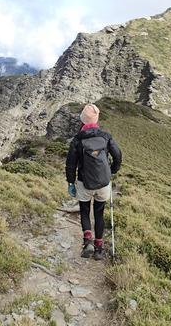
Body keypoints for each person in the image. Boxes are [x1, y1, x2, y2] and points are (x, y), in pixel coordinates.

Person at [65, 103, 122, 260]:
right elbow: (117, 155)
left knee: (84, 211)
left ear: (82, 120)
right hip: (103, 182)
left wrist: (71, 183)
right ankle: (98, 247)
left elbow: (71, 164)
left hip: (85, 182)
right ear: (96, 120)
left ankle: (87, 240)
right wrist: (112, 171)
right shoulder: (105, 136)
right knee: (99, 212)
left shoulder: (77, 140)